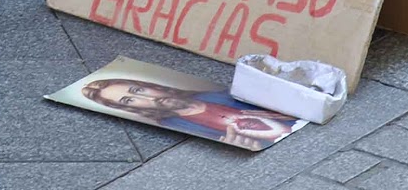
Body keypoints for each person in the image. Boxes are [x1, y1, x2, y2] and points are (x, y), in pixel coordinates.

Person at [80, 79, 295, 149]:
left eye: (137, 90)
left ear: (146, 85)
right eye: (129, 100)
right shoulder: (177, 125)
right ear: (129, 108)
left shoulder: (216, 93)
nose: (150, 99)